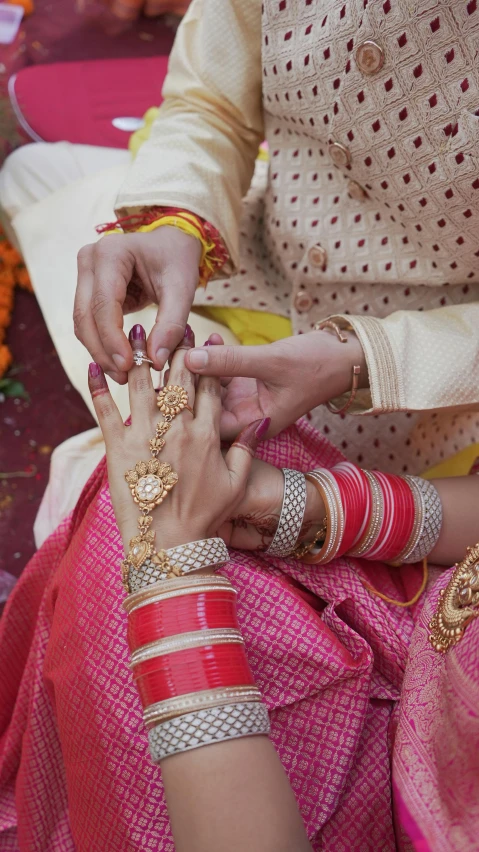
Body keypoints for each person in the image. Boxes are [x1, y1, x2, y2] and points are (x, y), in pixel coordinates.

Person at [1, 322, 479, 851]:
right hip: (423, 610)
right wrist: (295, 504)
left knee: (129, 545)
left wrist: (171, 561)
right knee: (175, 468)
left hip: (391, 803)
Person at [1, 0, 479, 486]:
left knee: (107, 489)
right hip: (260, 246)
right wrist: (174, 220)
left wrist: (360, 359)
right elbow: (212, 100)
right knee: (28, 173)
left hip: (405, 372)